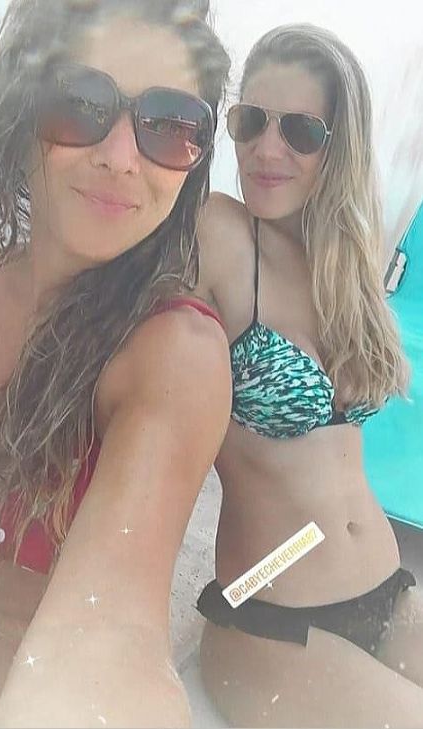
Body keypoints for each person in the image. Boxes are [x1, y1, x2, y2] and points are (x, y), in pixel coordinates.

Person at [0, 0, 231, 726]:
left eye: (170, 125)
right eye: (81, 104)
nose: (121, 156)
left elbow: (110, 635)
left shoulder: (172, 351)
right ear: (22, 107)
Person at [194, 23, 423, 728]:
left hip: (386, 585)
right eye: (251, 122)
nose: (268, 149)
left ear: (338, 147)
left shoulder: (343, 263)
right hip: (269, 611)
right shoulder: (216, 233)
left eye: (300, 130)